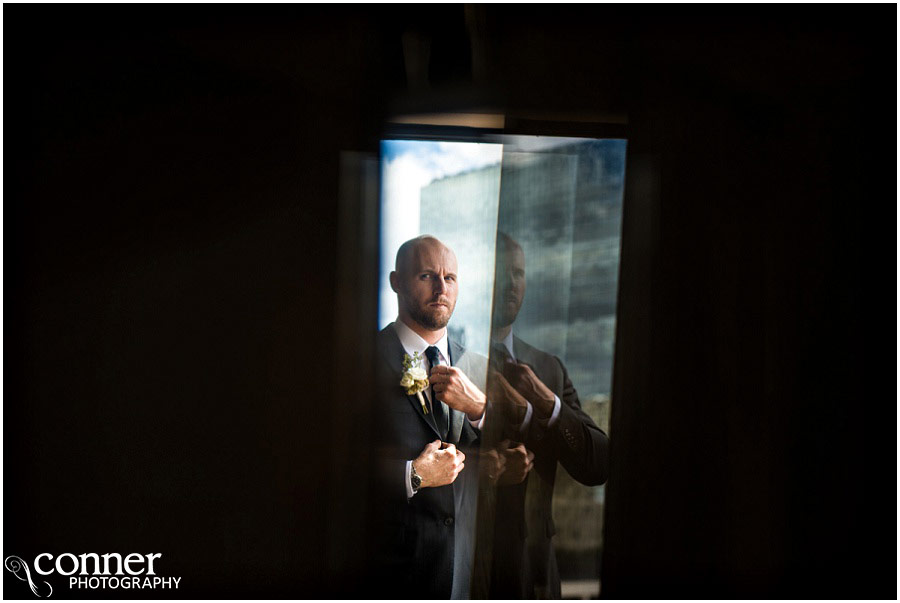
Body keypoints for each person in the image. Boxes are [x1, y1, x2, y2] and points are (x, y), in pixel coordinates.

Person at [480, 232, 610, 599]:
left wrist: (547, 402)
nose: (510, 283)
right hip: (463, 563)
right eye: (500, 272)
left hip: (533, 570)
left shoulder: (549, 368)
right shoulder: (447, 358)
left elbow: (597, 464)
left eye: (518, 273)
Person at [369, 235, 488, 599]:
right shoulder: (360, 359)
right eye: (426, 276)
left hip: (468, 576)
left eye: (449, 278)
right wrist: (413, 475)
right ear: (396, 282)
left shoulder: (481, 368)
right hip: (389, 579)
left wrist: (482, 411)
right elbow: (330, 465)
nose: (441, 288)